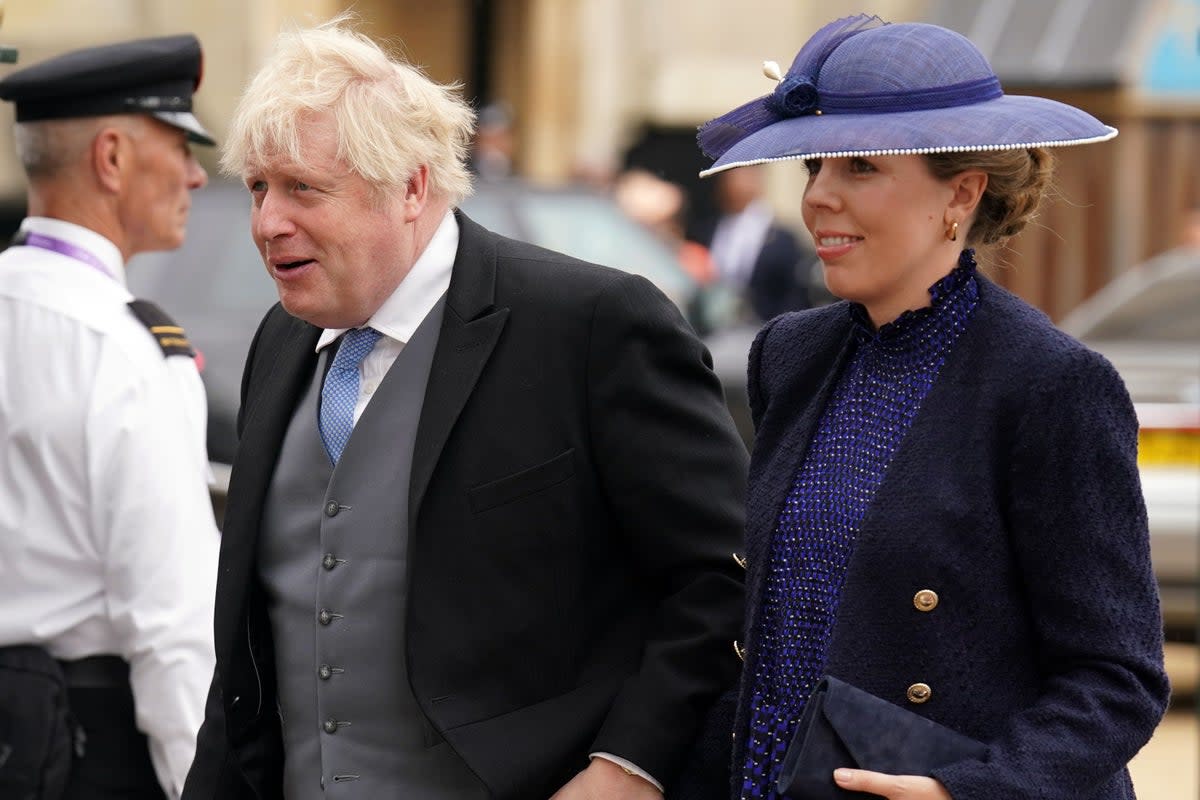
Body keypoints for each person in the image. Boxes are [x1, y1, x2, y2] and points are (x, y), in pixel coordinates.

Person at [181, 18, 747, 800]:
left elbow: (723, 577)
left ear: (412, 186)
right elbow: (252, 649)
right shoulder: (280, 343)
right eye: (257, 188)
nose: (267, 222)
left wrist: (627, 770)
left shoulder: (591, 325)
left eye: (303, 188)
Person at [694, 14, 1170, 800]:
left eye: (860, 168)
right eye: (815, 166)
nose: (819, 198)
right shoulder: (790, 353)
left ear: (962, 194)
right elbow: (767, 626)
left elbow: (1116, 679)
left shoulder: (1050, 384)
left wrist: (965, 790)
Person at [0, 35, 220, 800]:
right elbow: (171, 626)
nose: (196, 172)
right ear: (113, 157)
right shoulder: (127, 350)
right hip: (87, 745)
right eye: (180, 143)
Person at [690, 164, 815, 322]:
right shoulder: (709, 230)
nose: (736, 183)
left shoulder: (782, 238)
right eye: (730, 176)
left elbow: (794, 293)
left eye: (745, 175)